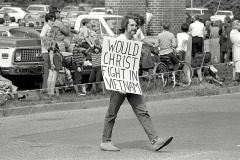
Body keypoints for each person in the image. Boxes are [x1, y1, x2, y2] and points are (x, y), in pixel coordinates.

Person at [100, 13, 173, 152]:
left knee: (142, 111)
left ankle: (155, 140)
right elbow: (112, 64)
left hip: (131, 82)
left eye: (136, 25)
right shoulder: (120, 40)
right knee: (112, 113)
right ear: (125, 26)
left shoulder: (134, 40)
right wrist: (118, 83)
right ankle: (105, 141)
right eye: (132, 25)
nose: (135, 28)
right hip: (120, 83)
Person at [134, 14, 155, 79]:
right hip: (135, 46)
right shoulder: (135, 29)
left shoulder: (139, 29)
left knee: (148, 51)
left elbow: (143, 38)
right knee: (146, 53)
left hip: (138, 45)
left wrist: (152, 45)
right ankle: (144, 71)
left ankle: (148, 70)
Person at [40, 13, 56, 92]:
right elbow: (42, 36)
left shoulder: (51, 27)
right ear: (47, 20)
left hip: (50, 52)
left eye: (53, 20)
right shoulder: (46, 27)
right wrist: (48, 45)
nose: (52, 21)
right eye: (50, 20)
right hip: (46, 52)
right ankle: (45, 89)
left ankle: (47, 88)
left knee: (49, 71)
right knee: (47, 71)